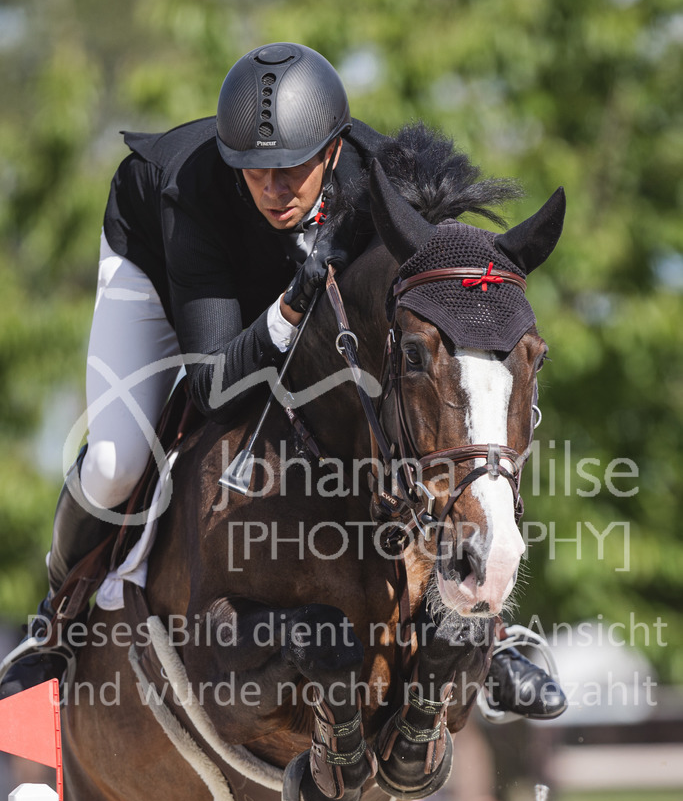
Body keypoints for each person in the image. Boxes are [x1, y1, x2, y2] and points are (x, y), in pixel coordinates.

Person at [0, 42, 566, 719]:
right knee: (119, 458)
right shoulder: (194, 193)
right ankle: (56, 623)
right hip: (164, 269)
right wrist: (289, 306)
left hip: (296, 297)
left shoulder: (384, 182)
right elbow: (213, 389)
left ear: (333, 151)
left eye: (292, 167)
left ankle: (488, 632)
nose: (273, 189)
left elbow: (446, 319)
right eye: (255, 170)